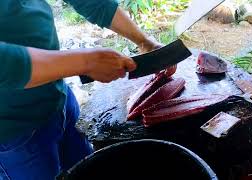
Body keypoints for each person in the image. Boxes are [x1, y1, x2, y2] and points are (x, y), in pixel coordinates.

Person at [0, 0, 176, 179]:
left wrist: (144, 40)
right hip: (13, 131)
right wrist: (85, 62)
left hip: (59, 96)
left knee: (88, 170)